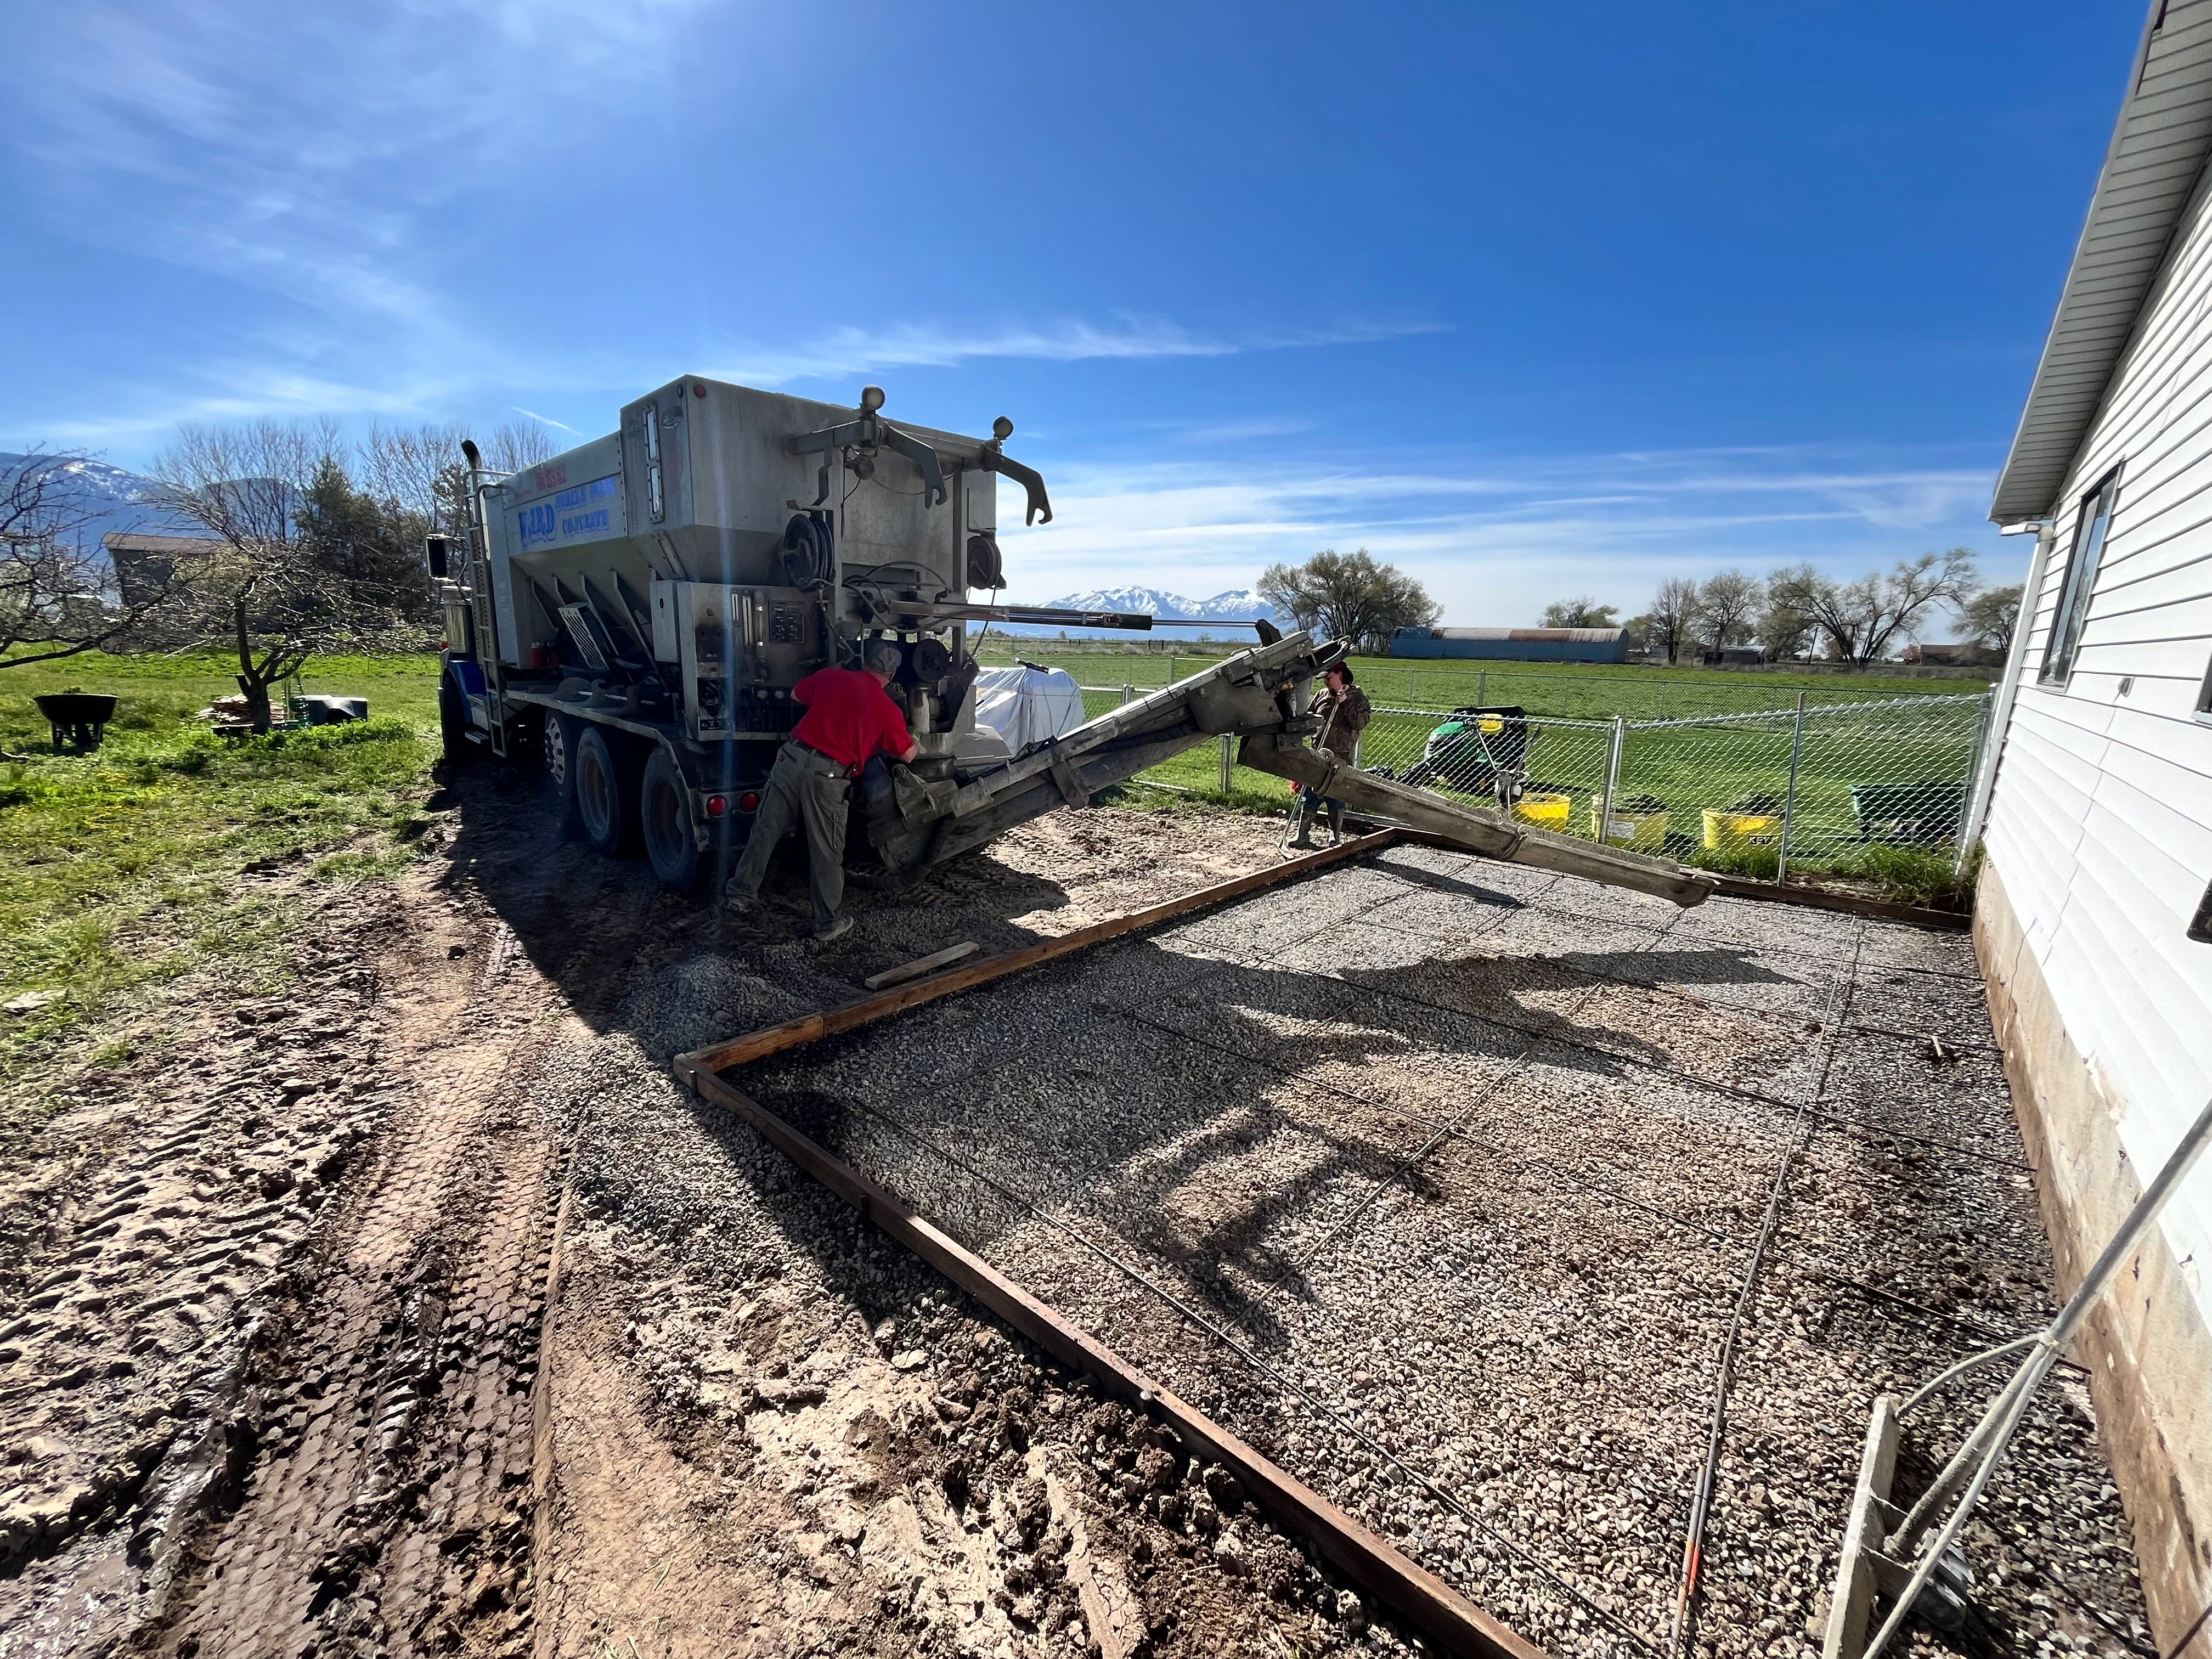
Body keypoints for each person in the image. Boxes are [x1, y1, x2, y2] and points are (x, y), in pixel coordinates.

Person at [726, 640, 918, 941]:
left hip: (790, 759)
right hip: (827, 776)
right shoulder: (887, 710)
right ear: (892, 676)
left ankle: (740, 895)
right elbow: (907, 755)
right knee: (826, 849)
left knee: (765, 830)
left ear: (864, 662)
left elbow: (795, 694)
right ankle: (827, 925)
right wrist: (913, 732)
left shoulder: (832, 677)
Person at [1289, 660, 1372, 849]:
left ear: (1340, 676)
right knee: (1310, 794)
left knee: (1335, 796)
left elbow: (1360, 723)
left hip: (1340, 757)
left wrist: (1346, 704)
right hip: (1318, 754)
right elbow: (1310, 717)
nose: (1325, 682)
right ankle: (1302, 835)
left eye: (1329, 678)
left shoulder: (1358, 697)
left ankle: (1335, 837)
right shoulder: (1322, 695)